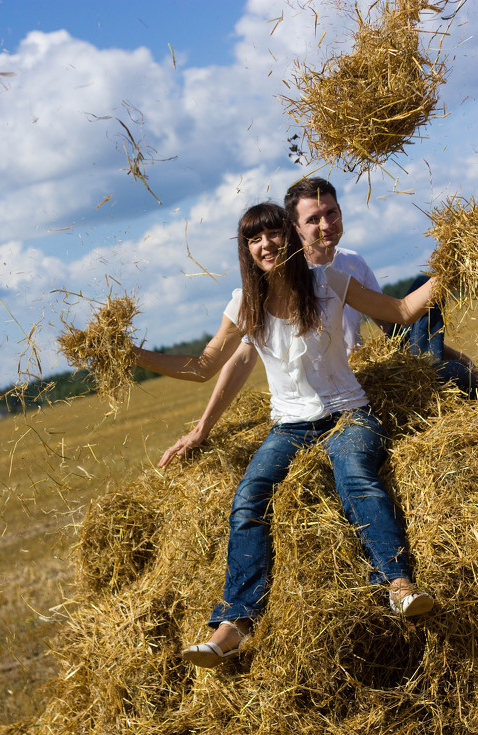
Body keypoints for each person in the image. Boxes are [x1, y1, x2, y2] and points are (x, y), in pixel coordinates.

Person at [133, 202, 440, 669]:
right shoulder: (243, 305)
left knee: (356, 476)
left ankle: (398, 585)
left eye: (273, 233)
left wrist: (452, 265)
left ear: (290, 238)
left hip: (347, 414)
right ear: (247, 250)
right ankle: (234, 624)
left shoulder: (329, 282)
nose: (265, 244)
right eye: (254, 239)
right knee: (249, 497)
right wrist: (131, 355)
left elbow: (399, 311)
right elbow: (201, 367)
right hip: (289, 426)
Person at [158, 178, 478, 469]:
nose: (325, 224)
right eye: (313, 219)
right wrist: (203, 428)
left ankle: (456, 379)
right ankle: (444, 370)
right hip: (337, 391)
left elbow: (394, 322)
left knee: (449, 354)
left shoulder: (351, 262)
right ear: (294, 228)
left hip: (370, 371)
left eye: (331, 213)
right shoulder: (283, 275)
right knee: (454, 377)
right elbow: (242, 358)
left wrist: (459, 356)